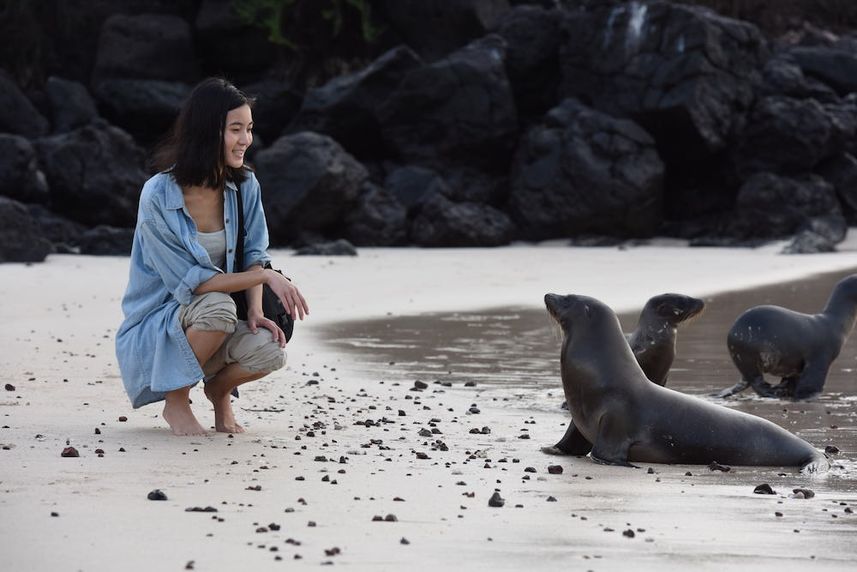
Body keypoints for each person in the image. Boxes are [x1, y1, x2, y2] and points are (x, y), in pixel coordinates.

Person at [115, 78, 308, 436]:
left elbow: (254, 254)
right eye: (236, 129)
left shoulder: (245, 186)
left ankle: (219, 392)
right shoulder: (158, 194)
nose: (246, 140)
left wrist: (255, 310)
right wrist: (266, 278)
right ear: (207, 131)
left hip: (211, 316)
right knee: (217, 306)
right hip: (162, 322)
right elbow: (193, 282)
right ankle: (176, 401)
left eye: (249, 129)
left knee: (269, 350)